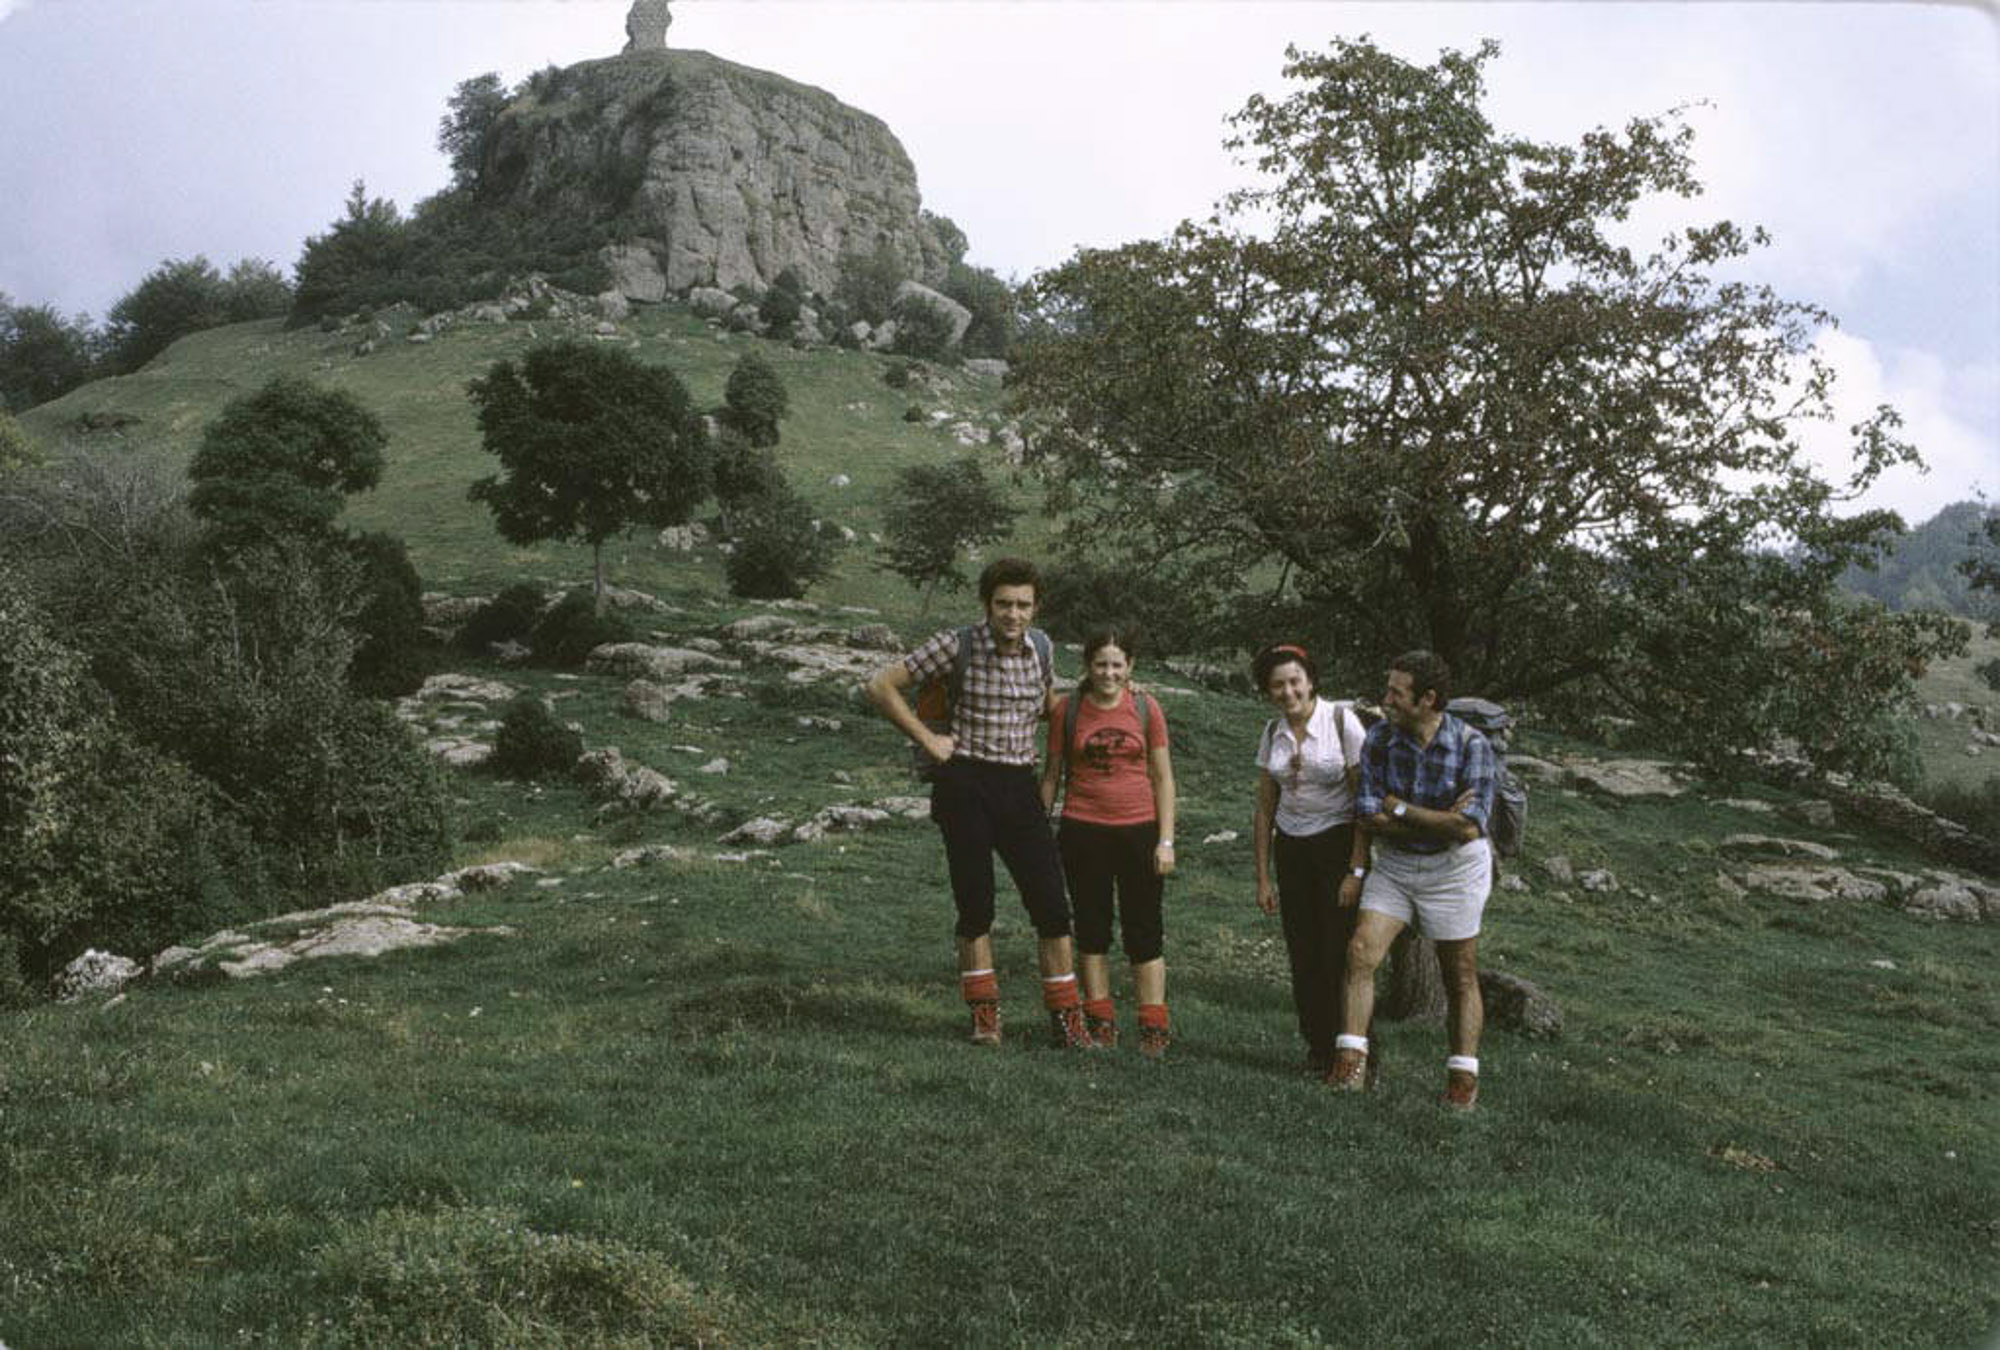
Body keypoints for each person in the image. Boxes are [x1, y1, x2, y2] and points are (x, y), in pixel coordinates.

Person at [865, 557, 1091, 1049]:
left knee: (1052, 906)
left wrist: (1106, 698)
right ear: (987, 604)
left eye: (1023, 605)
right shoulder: (956, 644)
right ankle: (985, 1018)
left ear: (1036, 607)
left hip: (1019, 785)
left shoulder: (1042, 647)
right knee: (976, 904)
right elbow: (881, 685)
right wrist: (928, 739)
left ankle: (1066, 1019)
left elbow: (1047, 705)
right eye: (1004, 604)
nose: (1013, 614)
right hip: (964, 783)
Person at [1332, 649, 1496, 1110]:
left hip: (1455, 869)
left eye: (1397, 693)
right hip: (1397, 867)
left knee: (1459, 973)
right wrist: (1440, 820)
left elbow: (1470, 827)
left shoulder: (1472, 745)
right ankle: (1350, 1065)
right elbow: (1369, 814)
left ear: (1428, 699)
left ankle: (1462, 1080)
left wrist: (1400, 808)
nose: (1386, 700)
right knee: (1360, 952)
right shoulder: (1380, 740)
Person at [1038, 628, 1178, 1057]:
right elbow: (1052, 775)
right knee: (1091, 929)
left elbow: (1163, 778)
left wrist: (1166, 840)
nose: (1109, 673)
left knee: (1145, 930)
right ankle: (1101, 1021)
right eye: (1101, 664)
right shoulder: (1068, 710)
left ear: (1130, 666)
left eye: (1117, 664)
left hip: (1140, 831)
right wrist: (1038, 831)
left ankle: (1153, 1026)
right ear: (1088, 666)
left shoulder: (1146, 707)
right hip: (1083, 830)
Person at [1249, 644, 1372, 1078]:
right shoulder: (1272, 732)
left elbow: (1363, 803)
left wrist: (1356, 870)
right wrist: (1264, 877)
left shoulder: (1342, 722)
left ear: (1311, 681)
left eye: (1294, 681)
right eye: (1277, 685)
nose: (1287, 692)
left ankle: (1355, 1051)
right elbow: (1265, 808)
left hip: (1336, 844)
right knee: (1303, 952)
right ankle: (1317, 1048)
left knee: (1339, 952)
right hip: (1292, 847)